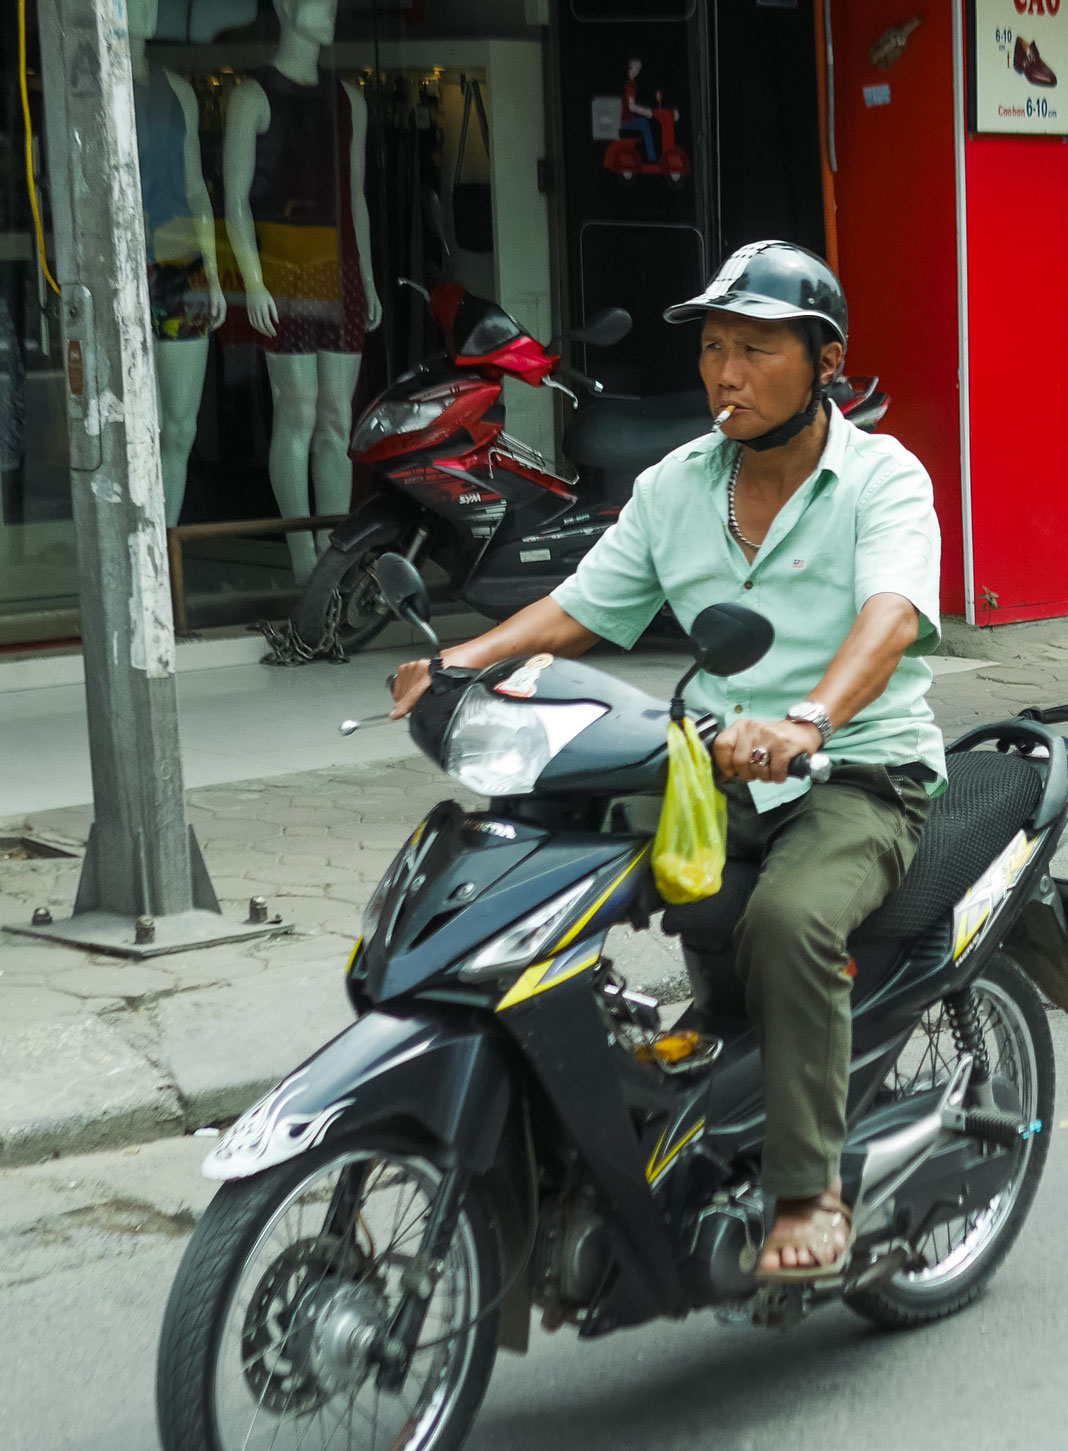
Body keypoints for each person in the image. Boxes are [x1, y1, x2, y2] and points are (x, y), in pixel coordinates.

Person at [389, 241, 947, 1280]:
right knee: (544, 877)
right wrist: (458, 659)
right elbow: (581, 610)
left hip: (857, 771)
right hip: (712, 768)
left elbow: (891, 616)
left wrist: (812, 717)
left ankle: (807, 1187)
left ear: (824, 362)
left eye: (753, 350)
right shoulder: (675, 485)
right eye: (712, 348)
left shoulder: (883, 477)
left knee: (785, 920)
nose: (723, 374)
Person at [621, 57, 661, 162]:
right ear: (632, 66)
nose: (639, 68)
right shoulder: (630, 85)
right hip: (626, 121)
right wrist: (646, 112)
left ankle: (652, 157)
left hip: (628, 118)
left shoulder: (632, 83)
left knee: (645, 123)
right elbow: (631, 106)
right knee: (645, 124)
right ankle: (652, 158)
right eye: (637, 66)